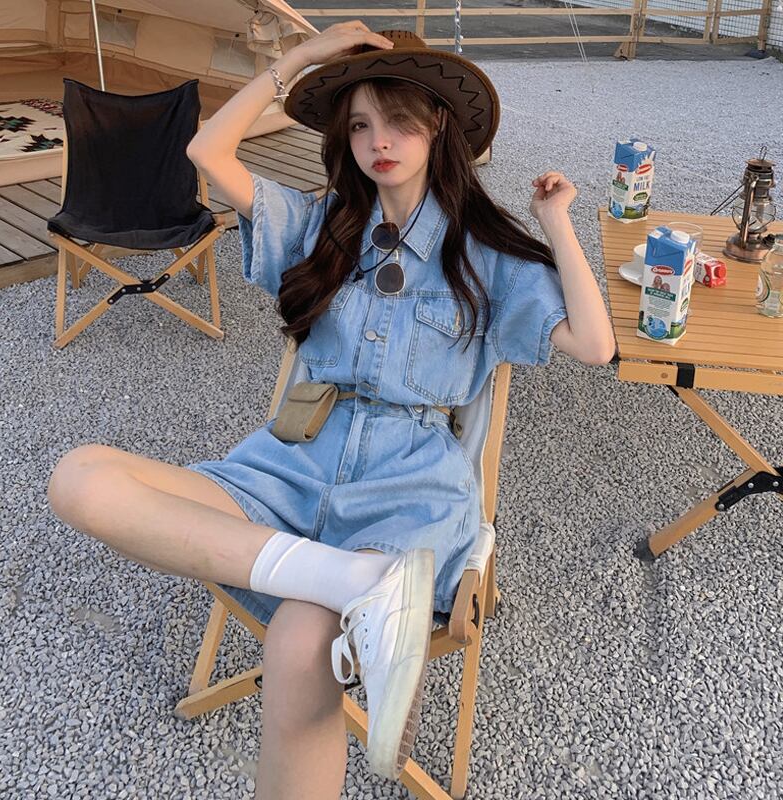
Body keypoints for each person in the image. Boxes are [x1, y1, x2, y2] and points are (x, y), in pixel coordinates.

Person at [47, 21, 615, 800]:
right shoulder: (323, 226)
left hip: (406, 487)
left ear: (437, 125)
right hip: (290, 462)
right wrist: (300, 59)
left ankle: (361, 582)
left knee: (296, 647)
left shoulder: (480, 253)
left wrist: (557, 223)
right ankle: (358, 583)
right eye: (359, 125)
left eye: (399, 121)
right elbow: (206, 151)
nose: (379, 141)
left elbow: (595, 345)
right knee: (79, 480)